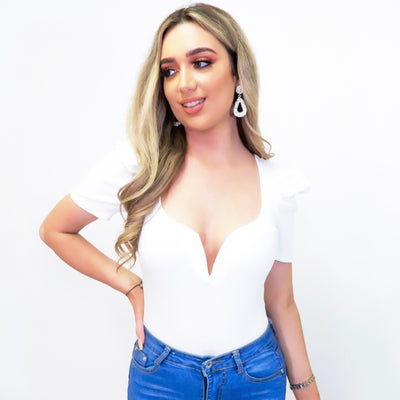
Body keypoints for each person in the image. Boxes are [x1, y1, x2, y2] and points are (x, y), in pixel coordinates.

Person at [40, 3, 320, 400]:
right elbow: (56, 229)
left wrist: (308, 391)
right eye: (169, 71)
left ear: (237, 73)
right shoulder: (140, 165)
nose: (183, 83)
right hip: (160, 379)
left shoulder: (279, 187)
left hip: (255, 379)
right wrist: (131, 286)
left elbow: (281, 303)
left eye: (201, 63)